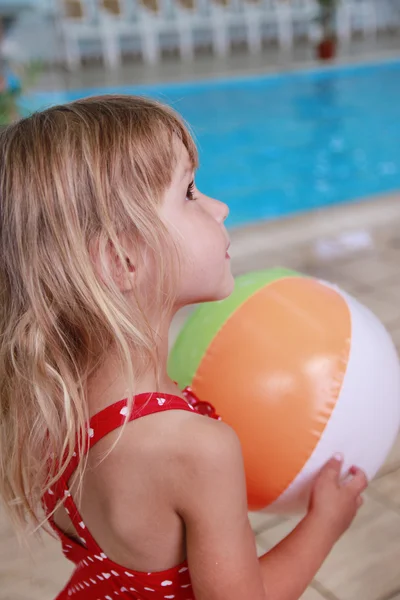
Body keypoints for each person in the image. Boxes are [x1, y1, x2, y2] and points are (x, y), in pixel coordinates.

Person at [0, 95, 368, 600]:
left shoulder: (51, 407)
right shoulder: (196, 449)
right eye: (190, 191)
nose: (220, 207)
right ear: (122, 260)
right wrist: (326, 522)